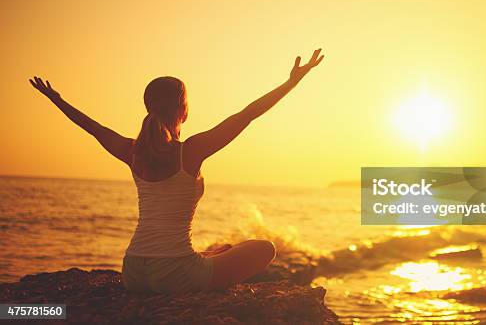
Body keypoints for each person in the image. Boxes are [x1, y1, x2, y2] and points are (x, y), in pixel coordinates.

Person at [29, 48, 325, 293]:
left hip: (134, 271)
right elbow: (247, 115)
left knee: (222, 248)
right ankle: (201, 266)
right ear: (184, 111)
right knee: (265, 248)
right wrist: (291, 83)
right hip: (175, 275)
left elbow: (94, 128)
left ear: (148, 107)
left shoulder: (133, 151)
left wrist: (57, 100)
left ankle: (205, 258)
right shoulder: (191, 151)